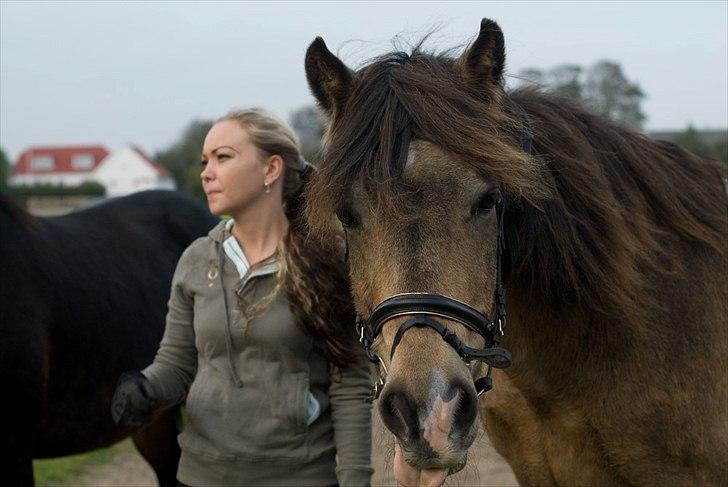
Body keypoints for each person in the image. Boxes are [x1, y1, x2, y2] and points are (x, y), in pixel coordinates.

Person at [110, 108, 373, 486]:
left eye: (223, 157)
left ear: (271, 170)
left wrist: (355, 479)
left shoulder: (327, 260)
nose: (206, 172)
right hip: (200, 474)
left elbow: (350, 383)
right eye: (204, 161)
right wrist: (146, 388)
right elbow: (177, 364)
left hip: (299, 476)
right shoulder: (196, 260)